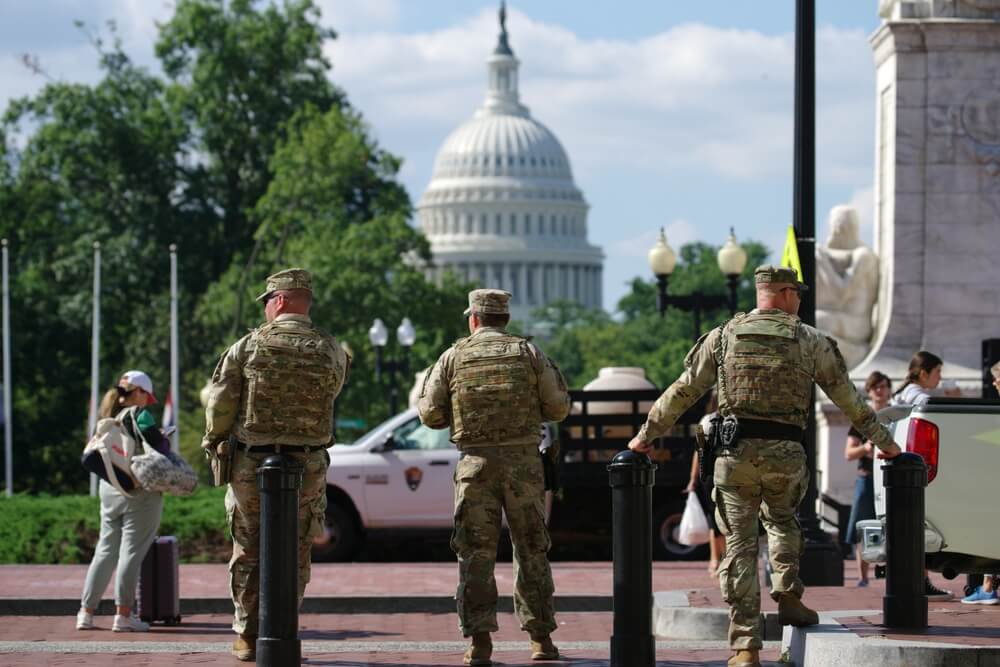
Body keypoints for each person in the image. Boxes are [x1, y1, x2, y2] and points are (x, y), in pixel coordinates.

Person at [627, 265, 903, 667]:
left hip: (734, 456)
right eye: (798, 294)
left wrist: (644, 436)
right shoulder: (809, 339)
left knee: (738, 545)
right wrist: (887, 444)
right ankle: (788, 597)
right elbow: (849, 400)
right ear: (786, 294)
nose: (800, 301)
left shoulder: (723, 336)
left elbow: (683, 390)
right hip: (786, 455)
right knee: (783, 524)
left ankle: (745, 646)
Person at [200, 268, 350, 662]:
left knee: (248, 545)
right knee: (299, 546)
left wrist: (214, 438)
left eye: (267, 301)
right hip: (309, 464)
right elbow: (333, 390)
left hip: (253, 462)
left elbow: (220, 402)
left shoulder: (248, 346)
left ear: (279, 300)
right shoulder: (331, 348)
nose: (266, 309)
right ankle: (283, 626)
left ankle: (247, 635)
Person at [418, 288, 570, 666]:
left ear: (473, 319)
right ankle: (540, 640)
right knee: (531, 549)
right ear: (506, 318)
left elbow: (429, 414)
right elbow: (558, 407)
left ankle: (479, 642)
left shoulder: (454, 356)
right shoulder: (529, 354)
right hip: (523, 465)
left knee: (475, 553)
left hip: (475, 466)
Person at [77, 370, 169, 632]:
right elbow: (160, 450)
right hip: (139, 490)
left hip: (110, 490)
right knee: (130, 553)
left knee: (105, 551)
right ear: (137, 393)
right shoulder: (140, 415)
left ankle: (86, 612)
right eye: (146, 396)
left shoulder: (107, 418)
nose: (147, 402)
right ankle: (124, 615)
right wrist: (162, 436)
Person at [844, 371, 891, 587]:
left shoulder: (897, 416)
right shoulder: (862, 418)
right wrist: (866, 447)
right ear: (869, 391)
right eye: (875, 387)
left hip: (891, 478)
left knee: (894, 527)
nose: (880, 391)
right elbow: (848, 453)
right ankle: (863, 578)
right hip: (868, 479)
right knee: (863, 527)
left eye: (883, 386)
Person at [689, 391, 726, 576]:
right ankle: (720, 559)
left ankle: (715, 560)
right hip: (726, 474)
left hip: (710, 475)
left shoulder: (705, 420)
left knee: (715, 518)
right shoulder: (736, 419)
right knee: (725, 518)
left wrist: (693, 479)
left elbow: (699, 451)